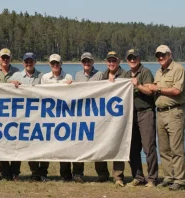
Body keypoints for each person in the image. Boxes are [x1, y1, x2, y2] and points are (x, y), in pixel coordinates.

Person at [149, 45, 185, 191]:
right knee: (164, 148)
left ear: (169, 54)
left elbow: (177, 90)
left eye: (163, 55)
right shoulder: (159, 72)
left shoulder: (178, 69)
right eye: (158, 55)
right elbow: (153, 88)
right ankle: (168, 176)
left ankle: (179, 180)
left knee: (176, 148)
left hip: (175, 112)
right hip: (160, 112)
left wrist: (157, 89)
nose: (160, 58)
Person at [8, 52, 48, 182]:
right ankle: (28, 172)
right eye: (26, 61)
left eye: (31, 61)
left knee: (41, 145)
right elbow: (4, 90)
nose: (28, 63)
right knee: (24, 145)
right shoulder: (16, 75)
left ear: (35, 62)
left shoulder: (42, 76)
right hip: (22, 117)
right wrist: (11, 84)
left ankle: (42, 172)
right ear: (23, 63)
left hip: (39, 116)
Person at [124, 49, 158, 187]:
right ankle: (138, 176)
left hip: (146, 112)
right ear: (127, 60)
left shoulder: (146, 72)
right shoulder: (126, 74)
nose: (132, 60)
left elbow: (150, 91)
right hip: (131, 114)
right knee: (132, 148)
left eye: (135, 58)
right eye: (130, 58)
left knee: (148, 147)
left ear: (139, 58)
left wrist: (138, 85)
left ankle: (152, 178)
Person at [95, 50, 127, 187]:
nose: (111, 63)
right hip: (103, 116)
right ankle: (102, 174)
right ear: (106, 62)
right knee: (100, 143)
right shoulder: (102, 76)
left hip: (119, 117)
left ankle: (118, 176)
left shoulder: (125, 75)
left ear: (118, 61)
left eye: (114, 60)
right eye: (109, 61)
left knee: (118, 144)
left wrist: (117, 82)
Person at [0, 48, 20, 181]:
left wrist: (18, 84)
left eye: (7, 57)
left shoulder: (17, 72)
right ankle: (5, 173)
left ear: (10, 58)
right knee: (1, 143)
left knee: (16, 143)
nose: (5, 60)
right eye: (3, 57)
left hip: (16, 113)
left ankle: (15, 172)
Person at [71, 52, 103, 183]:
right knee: (79, 143)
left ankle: (102, 173)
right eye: (84, 61)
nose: (86, 63)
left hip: (96, 114)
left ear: (93, 62)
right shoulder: (77, 75)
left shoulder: (100, 75)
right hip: (81, 114)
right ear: (81, 63)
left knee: (100, 142)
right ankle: (77, 173)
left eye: (88, 61)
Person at [41, 54, 73, 182]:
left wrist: (72, 86)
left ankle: (66, 175)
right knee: (45, 145)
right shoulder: (44, 78)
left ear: (61, 64)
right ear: (49, 64)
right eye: (53, 63)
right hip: (48, 117)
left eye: (57, 63)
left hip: (63, 116)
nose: (55, 65)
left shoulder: (69, 77)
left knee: (64, 146)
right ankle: (42, 173)